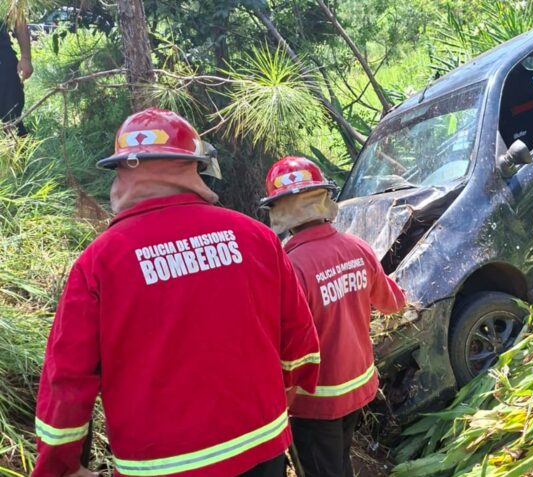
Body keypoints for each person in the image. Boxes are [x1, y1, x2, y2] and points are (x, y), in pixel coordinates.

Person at [33, 109, 321, 477]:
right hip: (260, 445)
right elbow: (300, 345)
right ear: (194, 168)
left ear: (122, 174)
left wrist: (61, 465)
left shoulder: (99, 262)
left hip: (160, 464)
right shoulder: (256, 237)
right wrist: (276, 407)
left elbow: (66, 380)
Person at [261, 156, 406, 477]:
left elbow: (280, 342)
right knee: (338, 460)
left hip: (314, 401)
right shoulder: (357, 247)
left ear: (278, 209)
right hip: (357, 388)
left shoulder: (288, 265)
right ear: (324, 198)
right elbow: (393, 303)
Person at [1, 9, 32, 135]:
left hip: (3, 61)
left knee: (11, 118)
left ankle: (16, 152)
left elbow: (18, 17)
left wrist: (26, 58)